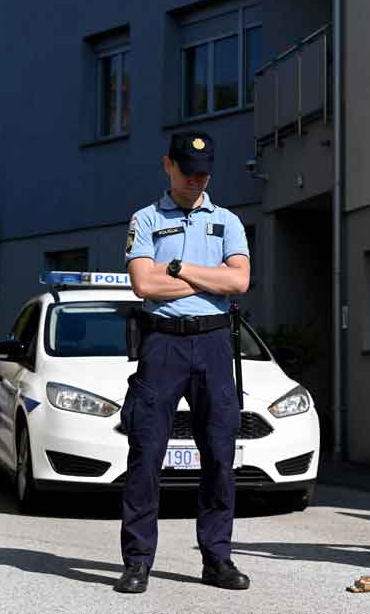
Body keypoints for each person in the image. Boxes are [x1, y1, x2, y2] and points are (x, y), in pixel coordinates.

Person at [114, 131, 251, 594]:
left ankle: (217, 559)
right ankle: (137, 562)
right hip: (163, 345)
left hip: (213, 344)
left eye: (205, 173)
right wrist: (209, 280)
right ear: (168, 166)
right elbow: (144, 286)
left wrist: (176, 270)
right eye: (189, 172)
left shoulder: (228, 220)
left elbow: (241, 281)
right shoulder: (145, 219)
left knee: (219, 454)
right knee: (146, 454)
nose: (198, 180)